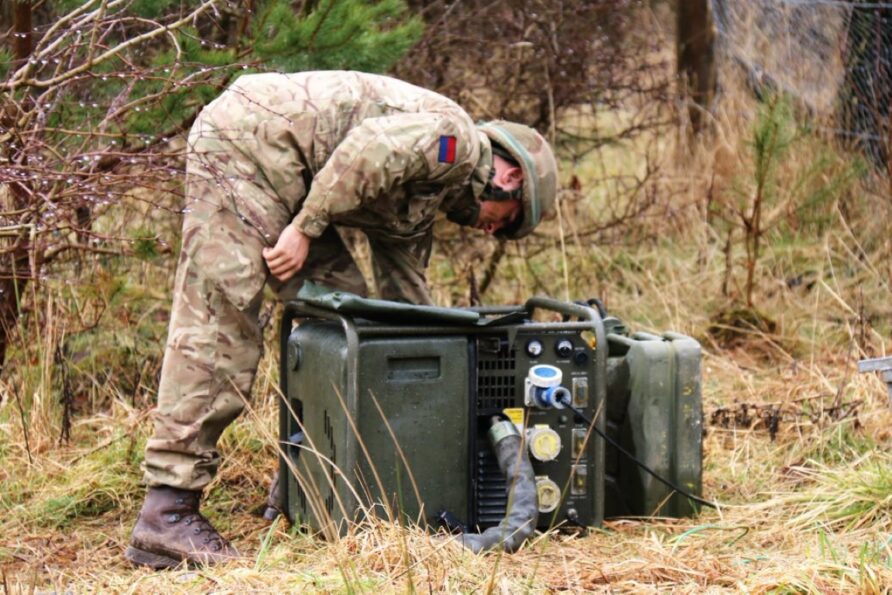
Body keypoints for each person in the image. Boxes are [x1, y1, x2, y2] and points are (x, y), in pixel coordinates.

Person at [124, 70, 557, 569]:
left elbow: (406, 312)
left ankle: (306, 478)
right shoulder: (454, 142)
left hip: (295, 175)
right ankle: (168, 509)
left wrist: (458, 382)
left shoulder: (424, 202)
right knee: (222, 324)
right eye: (503, 220)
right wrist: (305, 228)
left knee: (345, 315)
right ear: (512, 178)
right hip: (250, 143)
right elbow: (367, 150)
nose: (489, 229)